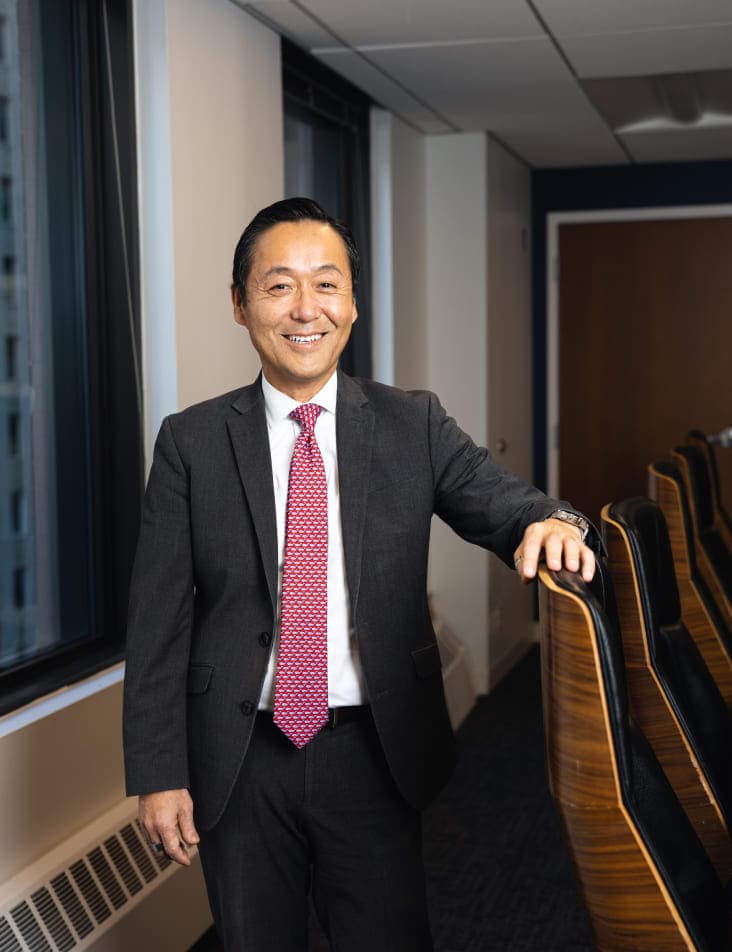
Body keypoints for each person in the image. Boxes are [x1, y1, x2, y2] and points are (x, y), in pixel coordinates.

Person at [123, 197, 596, 951]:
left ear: (352, 304)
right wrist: (157, 772)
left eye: (327, 283)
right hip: (238, 756)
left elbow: (511, 507)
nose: (305, 308)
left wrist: (554, 523)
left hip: (372, 748)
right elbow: (157, 623)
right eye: (279, 286)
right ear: (240, 306)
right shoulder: (192, 443)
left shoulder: (414, 424)